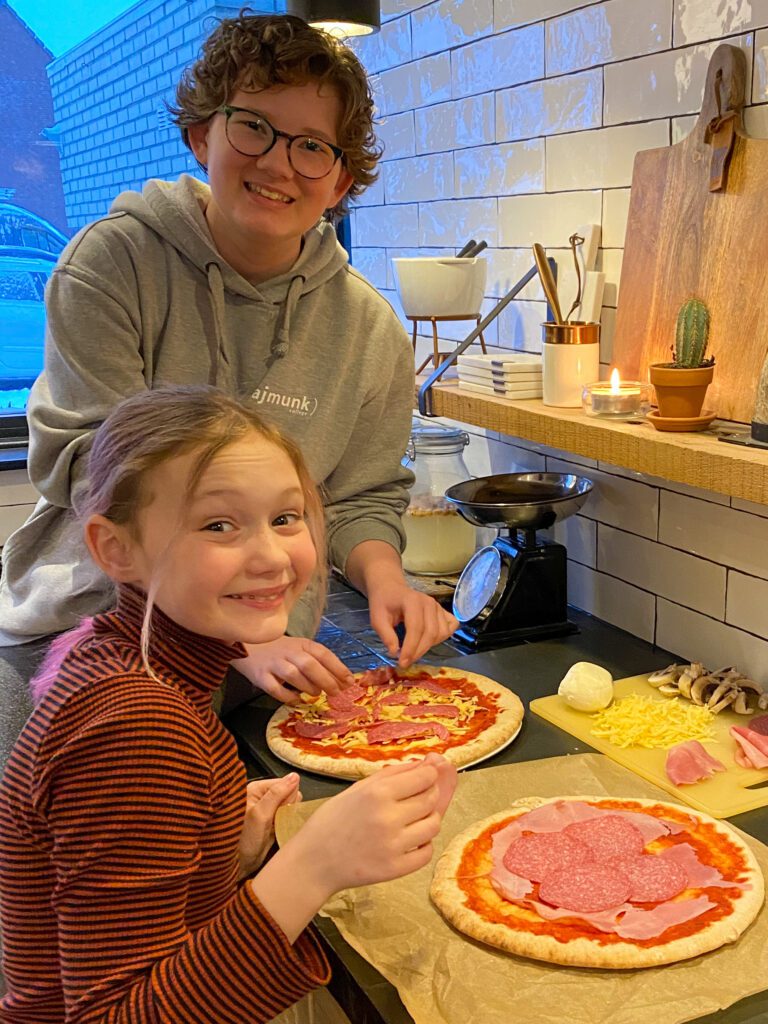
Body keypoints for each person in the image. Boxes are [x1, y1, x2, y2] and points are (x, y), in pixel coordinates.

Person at [0, 12, 458, 698]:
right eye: (253, 127)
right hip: (89, 648)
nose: (277, 162)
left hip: (264, 658)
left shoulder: (368, 329)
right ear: (200, 134)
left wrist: (389, 582)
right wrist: (237, 638)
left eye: (311, 146)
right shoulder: (112, 263)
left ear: (339, 183)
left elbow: (362, 495)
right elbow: (92, 468)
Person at [0, 385, 457, 1023]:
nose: (271, 556)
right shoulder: (139, 724)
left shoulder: (120, 660)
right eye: (219, 525)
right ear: (116, 549)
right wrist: (311, 864)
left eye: (286, 518)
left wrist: (220, 853)